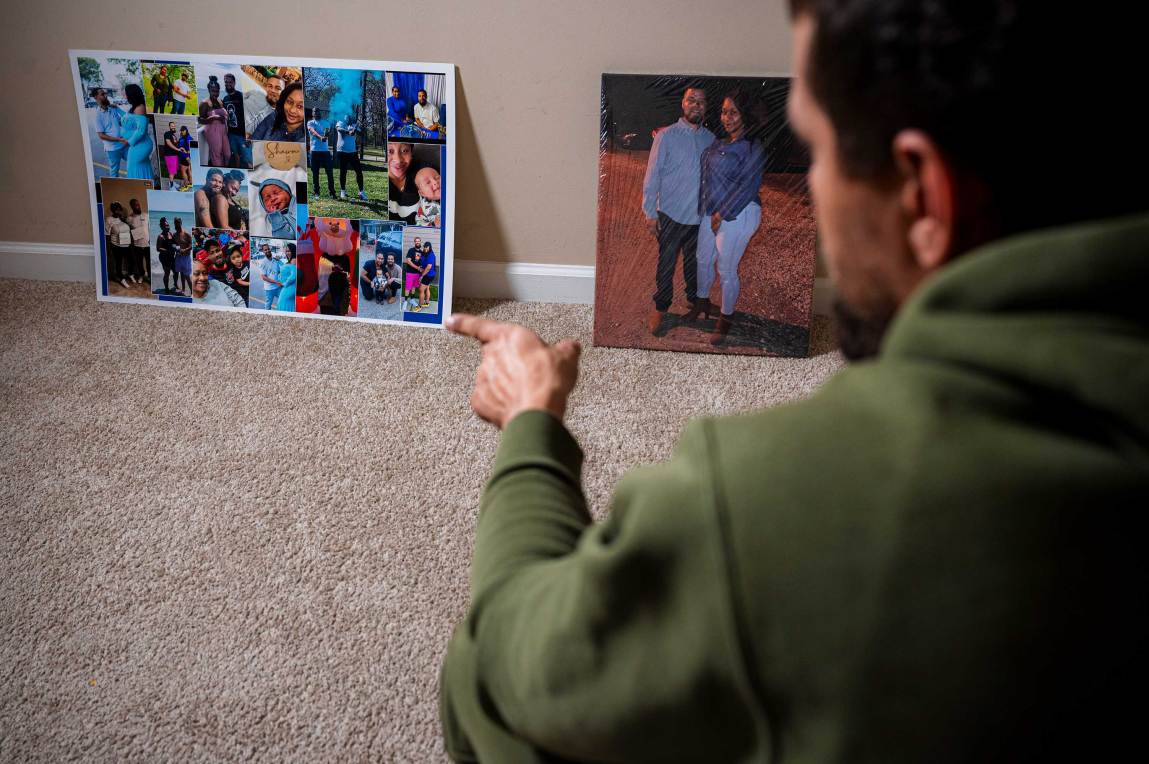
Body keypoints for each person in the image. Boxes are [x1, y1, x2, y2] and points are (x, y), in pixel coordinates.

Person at [438, 1, 1149, 761]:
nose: (813, 186)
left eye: (816, 149)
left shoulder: (760, 499)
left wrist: (530, 426)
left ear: (921, 197)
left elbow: (512, 675)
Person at [689, 90, 768, 345]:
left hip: (739, 213)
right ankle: (702, 302)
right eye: (724, 111)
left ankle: (726, 318)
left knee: (726, 269)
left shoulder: (752, 147)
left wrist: (723, 213)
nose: (727, 117)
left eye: (733, 112)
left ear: (746, 115)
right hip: (711, 212)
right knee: (703, 258)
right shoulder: (719, 143)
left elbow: (748, 185)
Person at [640, 85, 715, 335]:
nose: (696, 105)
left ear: (705, 108)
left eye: (701, 102)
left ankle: (694, 299)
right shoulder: (666, 136)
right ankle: (660, 308)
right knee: (667, 264)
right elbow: (652, 176)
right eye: (691, 100)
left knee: (695, 263)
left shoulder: (710, 139)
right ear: (683, 104)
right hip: (670, 214)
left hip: (699, 217)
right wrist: (650, 212)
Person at [91, 87, 128, 179]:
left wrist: (119, 109)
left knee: (134, 161)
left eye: (105, 94)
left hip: (124, 144)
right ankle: (115, 190)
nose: (106, 96)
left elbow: (121, 122)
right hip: (113, 149)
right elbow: (101, 135)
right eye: (102, 94)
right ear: (96, 97)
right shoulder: (97, 115)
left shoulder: (112, 108)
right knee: (114, 172)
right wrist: (118, 139)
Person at [121, 84, 154, 181]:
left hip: (140, 145)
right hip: (137, 144)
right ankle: (146, 188)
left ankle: (139, 189)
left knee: (133, 166)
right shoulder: (135, 107)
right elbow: (129, 118)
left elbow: (141, 130)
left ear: (131, 94)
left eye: (126, 93)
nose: (125, 96)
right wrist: (116, 109)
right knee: (142, 167)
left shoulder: (140, 108)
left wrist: (129, 142)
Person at [198, 76, 231, 167]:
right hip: (212, 131)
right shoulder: (204, 103)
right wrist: (213, 118)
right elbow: (200, 119)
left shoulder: (220, 101)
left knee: (227, 154)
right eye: (213, 91)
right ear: (209, 90)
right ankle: (219, 169)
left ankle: (225, 167)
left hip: (223, 130)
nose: (215, 93)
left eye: (217, 91)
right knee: (216, 155)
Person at [222, 72, 250, 167]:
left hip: (242, 135)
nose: (228, 84)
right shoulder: (225, 99)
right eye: (226, 82)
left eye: (230, 82)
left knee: (248, 158)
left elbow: (249, 115)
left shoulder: (241, 96)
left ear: (234, 83)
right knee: (236, 155)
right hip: (231, 134)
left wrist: (249, 135)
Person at [335, 113, 366, 200]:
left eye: (351, 116)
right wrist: (348, 131)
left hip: (353, 152)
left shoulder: (354, 125)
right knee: (343, 172)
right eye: (348, 116)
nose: (349, 118)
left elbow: (361, 134)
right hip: (342, 152)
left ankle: (361, 192)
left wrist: (358, 130)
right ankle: (343, 191)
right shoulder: (341, 123)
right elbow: (339, 129)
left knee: (359, 171)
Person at [387, 142, 420, 223]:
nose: (398, 160)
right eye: (389, 151)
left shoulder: (427, 173)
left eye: (405, 151)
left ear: (411, 152)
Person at [307, 108, 335, 198]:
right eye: (314, 111)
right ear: (312, 113)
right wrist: (320, 137)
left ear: (320, 112)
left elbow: (328, 132)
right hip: (314, 151)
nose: (316, 113)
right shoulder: (310, 122)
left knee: (329, 172)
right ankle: (316, 193)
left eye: (318, 111)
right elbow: (313, 132)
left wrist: (328, 134)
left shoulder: (326, 122)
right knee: (315, 173)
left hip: (325, 151)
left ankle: (332, 193)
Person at [103, 202, 133, 288]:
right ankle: (121, 279)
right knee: (119, 263)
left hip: (127, 244)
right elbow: (107, 234)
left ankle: (130, 275)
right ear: (112, 210)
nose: (118, 211)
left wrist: (122, 218)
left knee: (131, 261)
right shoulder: (109, 219)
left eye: (119, 209)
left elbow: (128, 230)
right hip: (117, 245)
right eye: (116, 209)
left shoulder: (122, 219)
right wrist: (108, 249)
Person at [244, 72, 282, 138]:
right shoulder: (255, 92)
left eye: (277, 88)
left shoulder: (277, 118)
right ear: (266, 87)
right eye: (270, 86)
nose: (272, 90)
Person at [127, 198, 151, 283]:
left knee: (149, 262)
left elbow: (149, 229)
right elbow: (130, 231)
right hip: (137, 244)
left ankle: (149, 277)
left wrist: (151, 239)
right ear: (132, 206)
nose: (138, 206)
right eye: (135, 205)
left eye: (138, 204)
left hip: (148, 243)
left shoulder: (146, 215)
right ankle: (141, 275)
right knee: (139, 262)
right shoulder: (129, 218)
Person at [258, 243, 284, 310]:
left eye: (268, 249)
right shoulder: (263, 262)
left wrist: (281, 281)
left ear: (270, 249)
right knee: (268, 304)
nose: (267, 251)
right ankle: (267, 315)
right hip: (269, 288)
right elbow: (263, 277)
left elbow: (278, 272)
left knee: (284, 298)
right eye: (265, 250)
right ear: (263, 251)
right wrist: (276, 282)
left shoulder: (275, 260)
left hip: (278, 287)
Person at [155, 217, 177, 293]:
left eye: (168, 225)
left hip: (171, 256)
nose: (168, 227)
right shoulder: (160, 237)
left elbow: (174, 243)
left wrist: (175, 248)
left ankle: (175, 285)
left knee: (175, 271)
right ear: (162, 227)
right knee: (167, 273)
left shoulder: (170, 233)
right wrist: (167, 251)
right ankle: (167, 288)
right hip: (164, 258)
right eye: (166, 226)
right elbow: (158, 248)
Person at [172, 217, 193, 294]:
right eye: (175, 223)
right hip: (178, 257)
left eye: (177, 222)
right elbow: (174, 245)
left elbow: (191, 245)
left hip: (186, 258)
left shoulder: (186, 234)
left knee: (187, 276)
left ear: (181, 223)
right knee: (181, 274)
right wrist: (176, 249)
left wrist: (185, 250)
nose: (176, 224)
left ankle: (192, 292)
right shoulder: (174, 235)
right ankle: (183, 290)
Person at [274, 243, 297, 311]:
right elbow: (287, 268)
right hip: (288, 286)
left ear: (293, 251)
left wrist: (283, 284)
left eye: (289, 251)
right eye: (286, 251)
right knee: (286, 304)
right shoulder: (291, 261)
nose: (287, 253)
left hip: (289, 287)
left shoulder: (294, 260)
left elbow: (293, 276)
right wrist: (279, 261)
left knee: (282, 303)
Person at [416, 240, 437, 310]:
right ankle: (427, 303)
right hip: (428, 274)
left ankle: (419, 306)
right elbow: (422, 262)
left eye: (427, 247)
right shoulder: (425, 253)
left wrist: (422, 276)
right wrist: (420, 267)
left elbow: (428, 268)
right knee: (427, 288)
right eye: (424, 247)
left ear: (430, 247)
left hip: (428, 275)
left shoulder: (431, 255)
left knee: (421, 290)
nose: (425, 248)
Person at [175, 126, 194, 190]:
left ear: (186, 130)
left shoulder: (188, 138)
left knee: (183, 171)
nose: (182, 132)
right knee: (189, 171)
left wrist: (186, 152)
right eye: (181, 130)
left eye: (183, 130)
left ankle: (186, 185)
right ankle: (190, 183)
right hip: (184, 157)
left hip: (185, 157)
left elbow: (192, 148)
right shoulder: (182, 138)